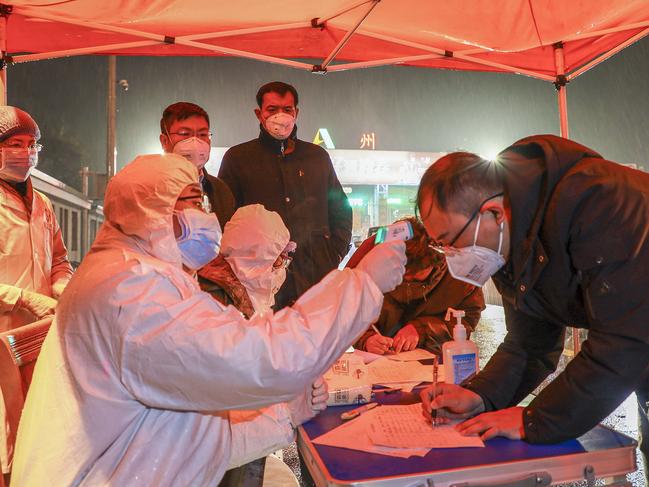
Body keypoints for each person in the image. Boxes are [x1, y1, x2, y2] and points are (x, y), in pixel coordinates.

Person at [12, 153, 406, 486]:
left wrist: (284, 416)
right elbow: (261, 360)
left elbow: (198, 433)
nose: (209, 216)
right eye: (194, 203)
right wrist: (362, 283)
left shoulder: (150, 276)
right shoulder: (133, 294)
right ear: (152, 210)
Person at [415, 136, 649, 476]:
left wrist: (535, 419)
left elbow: (624, 341)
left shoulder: (599, 201)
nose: (451, 256)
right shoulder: (509, 241)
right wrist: (481, 396)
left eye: (450, 241)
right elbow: (530, 343)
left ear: (492, 213)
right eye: (440, 247)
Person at [218, 81, 352, 309]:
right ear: (259, 114)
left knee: (316, 340)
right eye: (272, 110)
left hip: (315, 278)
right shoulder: (238, 158)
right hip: (260, 282)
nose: (280, 116)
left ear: (296, 113)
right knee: (267, 341)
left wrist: (333, 254)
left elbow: (341, 209)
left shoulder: (317, 157)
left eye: (287, 109)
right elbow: (224, 218)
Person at [0, 106, 72, 476]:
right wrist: (23, 297)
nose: (25, 152)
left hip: (35, 341)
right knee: (4, 437)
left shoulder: (42, 203)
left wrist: (62, 286)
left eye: (31, 144)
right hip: (1, 337)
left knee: (35, 432)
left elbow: (59, 259)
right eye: (14, 143)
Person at [347, 217, 485, 355]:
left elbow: (468, 317)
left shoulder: (461, 271)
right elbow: (347, 310)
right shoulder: (368, 258)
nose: (404, 280)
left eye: (415, 276)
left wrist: (423, 329)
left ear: (435, 262)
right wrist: (367, 338)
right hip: (378, 361)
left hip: (435, 358)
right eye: (400, 273)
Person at [198, 204, 296, 319]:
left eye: (284, 258)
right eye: (278, 259)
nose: (281, 269)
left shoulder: (246, 292)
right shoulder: (216, 299)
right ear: (253, 257)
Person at [160, 101, 235, 229]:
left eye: (202, 134)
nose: (195, 141)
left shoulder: (220, 190)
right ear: (164, 141)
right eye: (184, 133)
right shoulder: (149, 187)